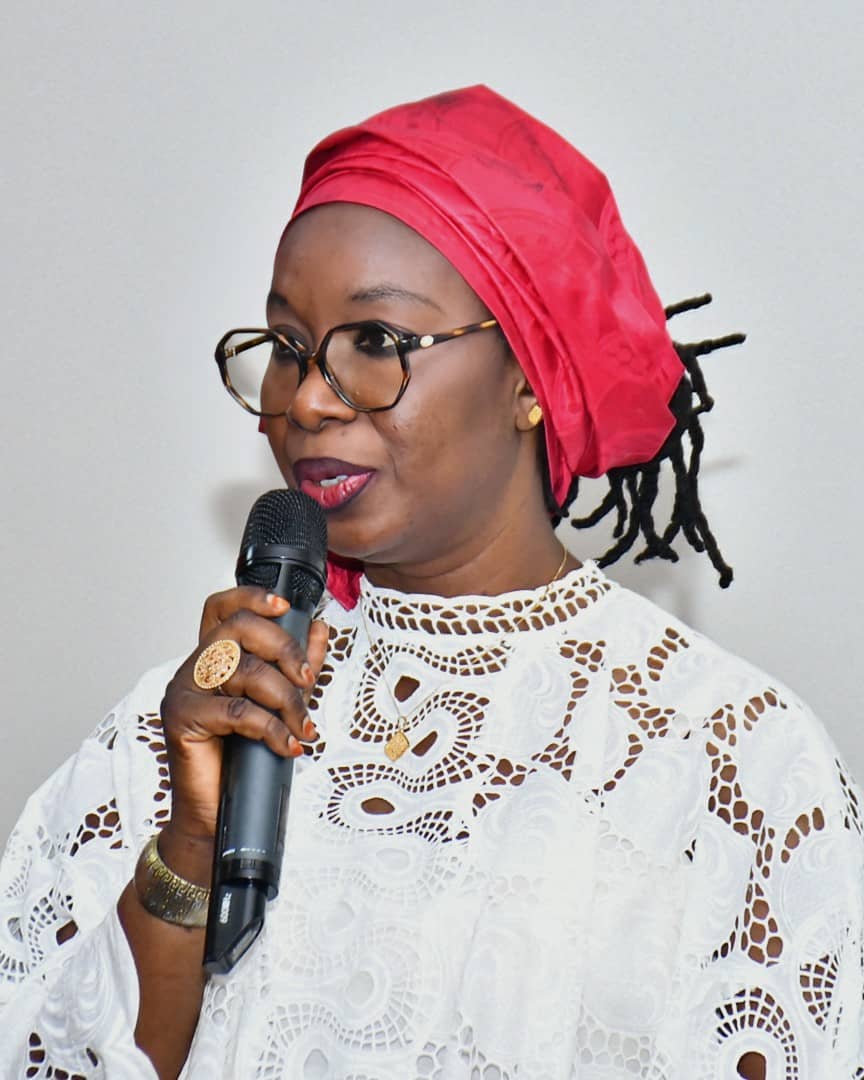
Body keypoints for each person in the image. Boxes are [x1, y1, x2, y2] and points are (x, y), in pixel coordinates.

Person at [1, 85, 861, 1080]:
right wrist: (192, 844)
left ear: (531, 376)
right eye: (287, 350)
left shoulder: (729, 758)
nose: (308, 402)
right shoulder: (177, 731)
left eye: (377, 343)